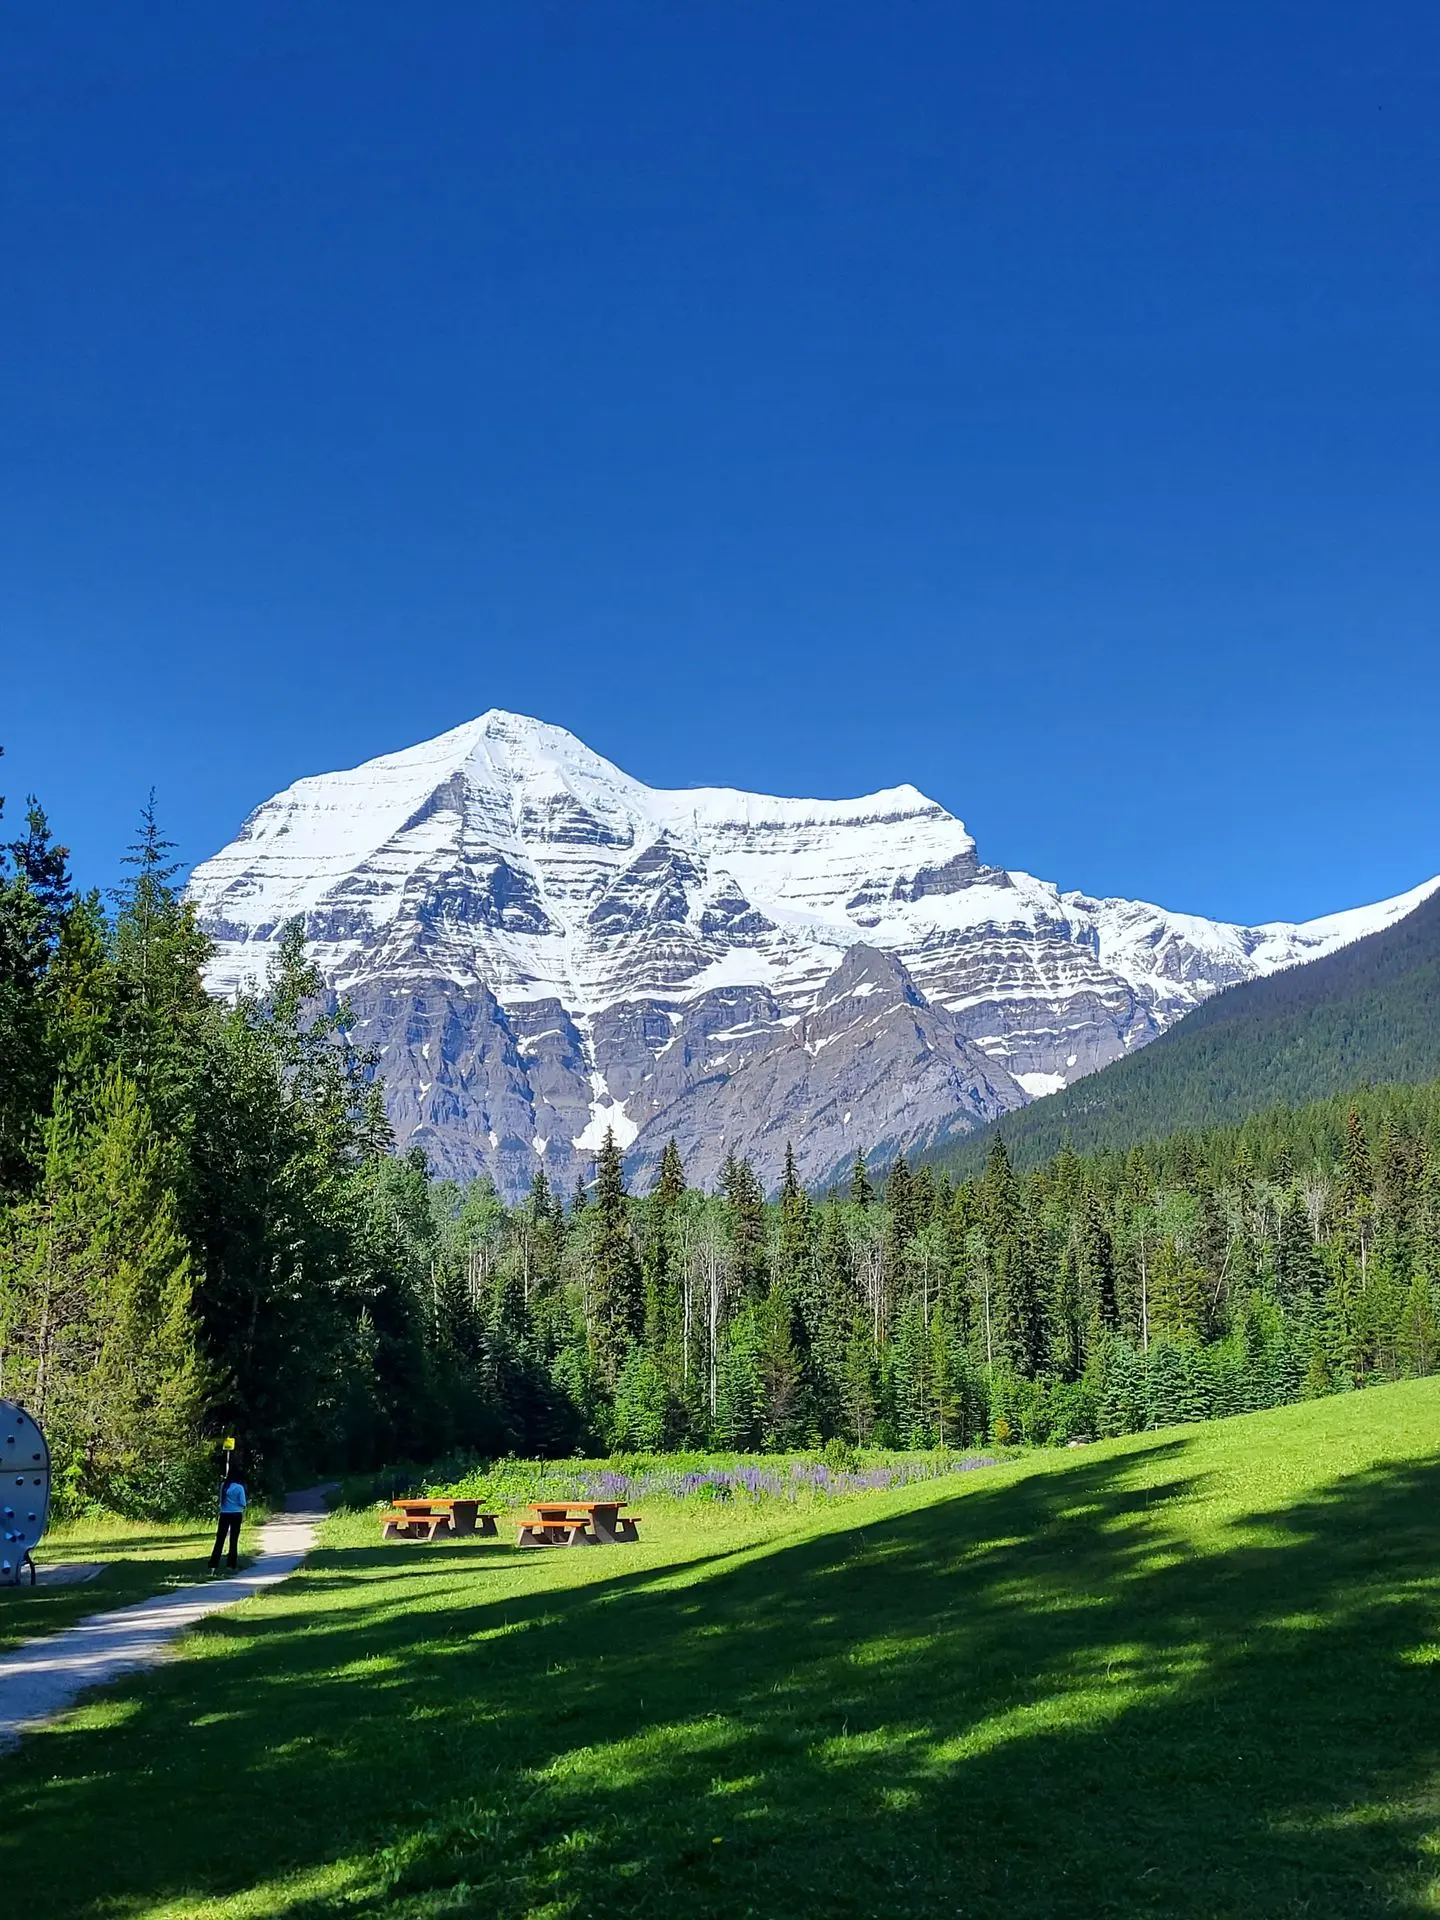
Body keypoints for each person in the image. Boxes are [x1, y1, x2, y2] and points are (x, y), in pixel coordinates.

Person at [209, 1473, 247, 1573]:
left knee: (220, 1539)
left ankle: (213, 1563)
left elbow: (221, 1500)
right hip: (236, 1514)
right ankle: (231, 1564)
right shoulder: (239, 1488)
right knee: (233, 1540)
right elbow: (243, 1502)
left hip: (224, 1514)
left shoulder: (224, 1486)